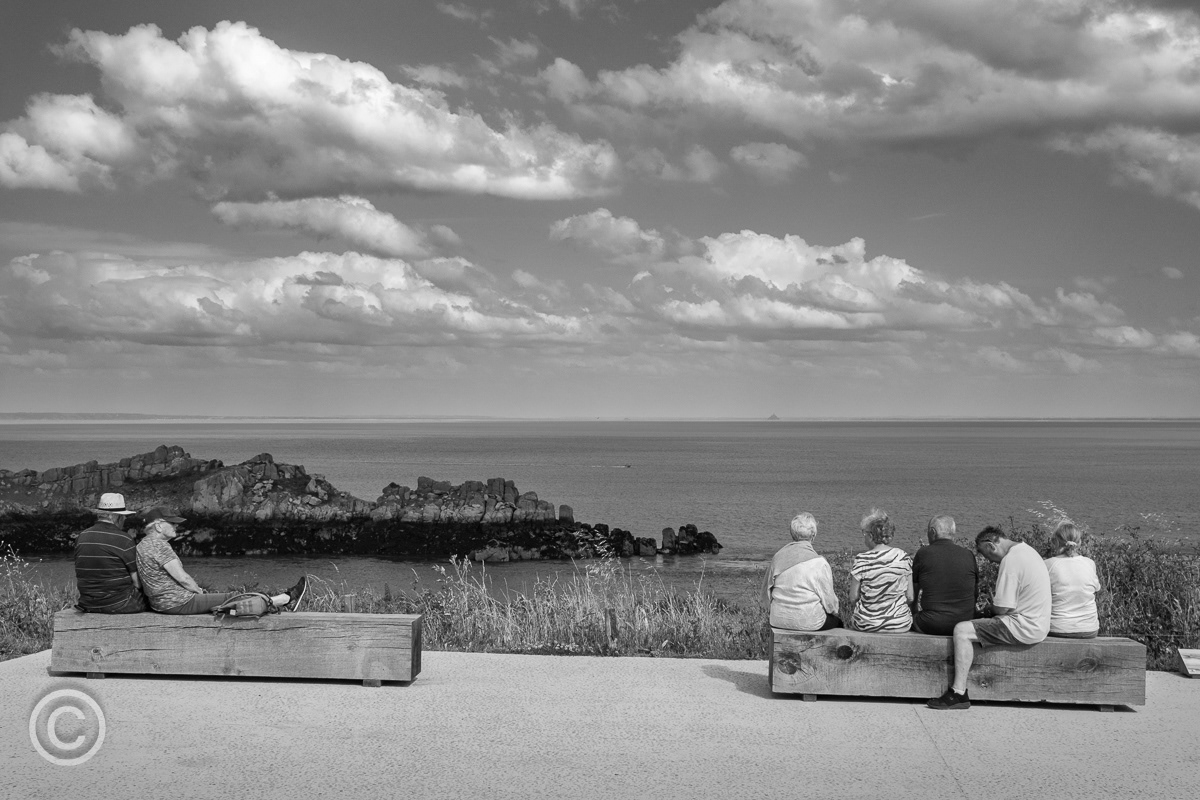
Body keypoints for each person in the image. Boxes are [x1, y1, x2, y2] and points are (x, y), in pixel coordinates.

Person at [927, 526, 1052, 710]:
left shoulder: (1011, 561)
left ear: (991, 545)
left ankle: (958, 693)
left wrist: (987, 610)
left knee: (962, 630)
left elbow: (1002, 608)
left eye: (987, 555)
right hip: (1038, 622)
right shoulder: (1028, 551)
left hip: (1023, 626)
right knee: (973, 627)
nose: (990, 561)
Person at [135, 507, 307, 614]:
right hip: (177, 603)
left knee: (227, 602)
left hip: (160, 603)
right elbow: (183, 578)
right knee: (233, 597)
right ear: (158, 526)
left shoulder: (142, 545)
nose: (176, 527)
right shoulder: (160, 546)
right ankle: (285, 600)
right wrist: (199, 592)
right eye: (172, 523)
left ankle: (279, 601)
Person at [762, 512, 841, 631]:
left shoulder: (777, 558)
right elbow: (830, 604)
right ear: (813, 535)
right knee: (838, 624)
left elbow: (766, 594)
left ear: (792, 534)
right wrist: (835, 611)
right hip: (810, 621)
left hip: (777, 620)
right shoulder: (819, 563)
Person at [74, 492, 148, 613]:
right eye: (123, 516)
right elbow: (137, 583)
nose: (124, 519)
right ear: (115, 517)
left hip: (88, 604)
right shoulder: (124, 539)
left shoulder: (81, 537)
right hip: (120, 604)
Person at [911, 514, 978, 636]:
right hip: (965, 623)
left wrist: (914, 613)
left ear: (932, 532)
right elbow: (975, 593)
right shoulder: (968, 555)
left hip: (931, 623)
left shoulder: (923, 554)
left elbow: (913, 595)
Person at [848, 509, 913, 633]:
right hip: (899, 624)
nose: (864, 537)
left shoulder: (862, 559)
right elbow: (910, 597)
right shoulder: (903, 557)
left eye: (864, 533)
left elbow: (853, 597)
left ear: (871, 535)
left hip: (867, 624)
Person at [1044, 521, 1101, 639]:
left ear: (1055, 541)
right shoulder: (1089, 563)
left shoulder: (1048, 565)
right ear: (1079, 543)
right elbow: (1096, 589)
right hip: (1089, 629)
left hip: (1057, 628)